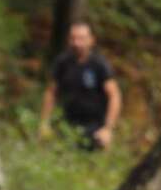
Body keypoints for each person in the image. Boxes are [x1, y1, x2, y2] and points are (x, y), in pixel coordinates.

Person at [40, 21, 123, 150]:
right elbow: (51, 92)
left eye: (81, 39)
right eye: (73, 38)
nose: (77, 43)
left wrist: (108, 129)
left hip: (94, 127)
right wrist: (45, 122)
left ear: (91, 40)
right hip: (66, 126)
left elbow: (114, 96)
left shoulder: (99, 65)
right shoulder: (62, 62)